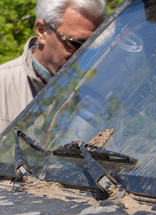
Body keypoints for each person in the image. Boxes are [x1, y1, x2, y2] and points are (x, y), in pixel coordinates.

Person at [0, 0, 106, 132]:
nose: (84, 54)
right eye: (75, 44)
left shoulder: (100, 96)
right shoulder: (2, 85)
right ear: (42, 31)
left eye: (94, 45)